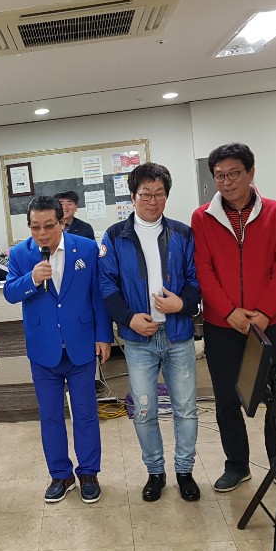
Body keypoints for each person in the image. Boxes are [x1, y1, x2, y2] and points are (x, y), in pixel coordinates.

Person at [190, 143, 276, 496]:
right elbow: (203, 269)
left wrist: (264, 312)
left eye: (234, 174)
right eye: (219, 176)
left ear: (251, 173)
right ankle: (236, 465)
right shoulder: (202, 217)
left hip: (268, 324)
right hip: (222, 326)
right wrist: (229, 312)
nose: (227, 182)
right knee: (226, 399)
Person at [98, 162, 202, 502]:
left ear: (166, 196)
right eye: (146, 194)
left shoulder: (182, 234)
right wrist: (129, 319)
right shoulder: (115, 236)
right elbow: (107, 285)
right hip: (138, 339)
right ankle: (155, 472)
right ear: (133, 196)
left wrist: (182, 304)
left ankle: (184, 471)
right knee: (144, 410)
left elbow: (195, 280)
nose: (153, 201)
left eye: (159, 194)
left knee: (185, 408)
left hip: (178, 335)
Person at [4, 195, 112, 504]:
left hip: (80, 345)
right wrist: (31, 279)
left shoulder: (87, 248)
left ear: (62, 222)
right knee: (50, 416)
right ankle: (60, 475)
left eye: (48, 226)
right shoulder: (20, 254)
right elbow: (10, 292)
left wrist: (103, 336)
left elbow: (97, 296)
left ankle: (88, 473)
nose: (42, 233)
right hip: (43, 350)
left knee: (85, 414)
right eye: (35, 227)